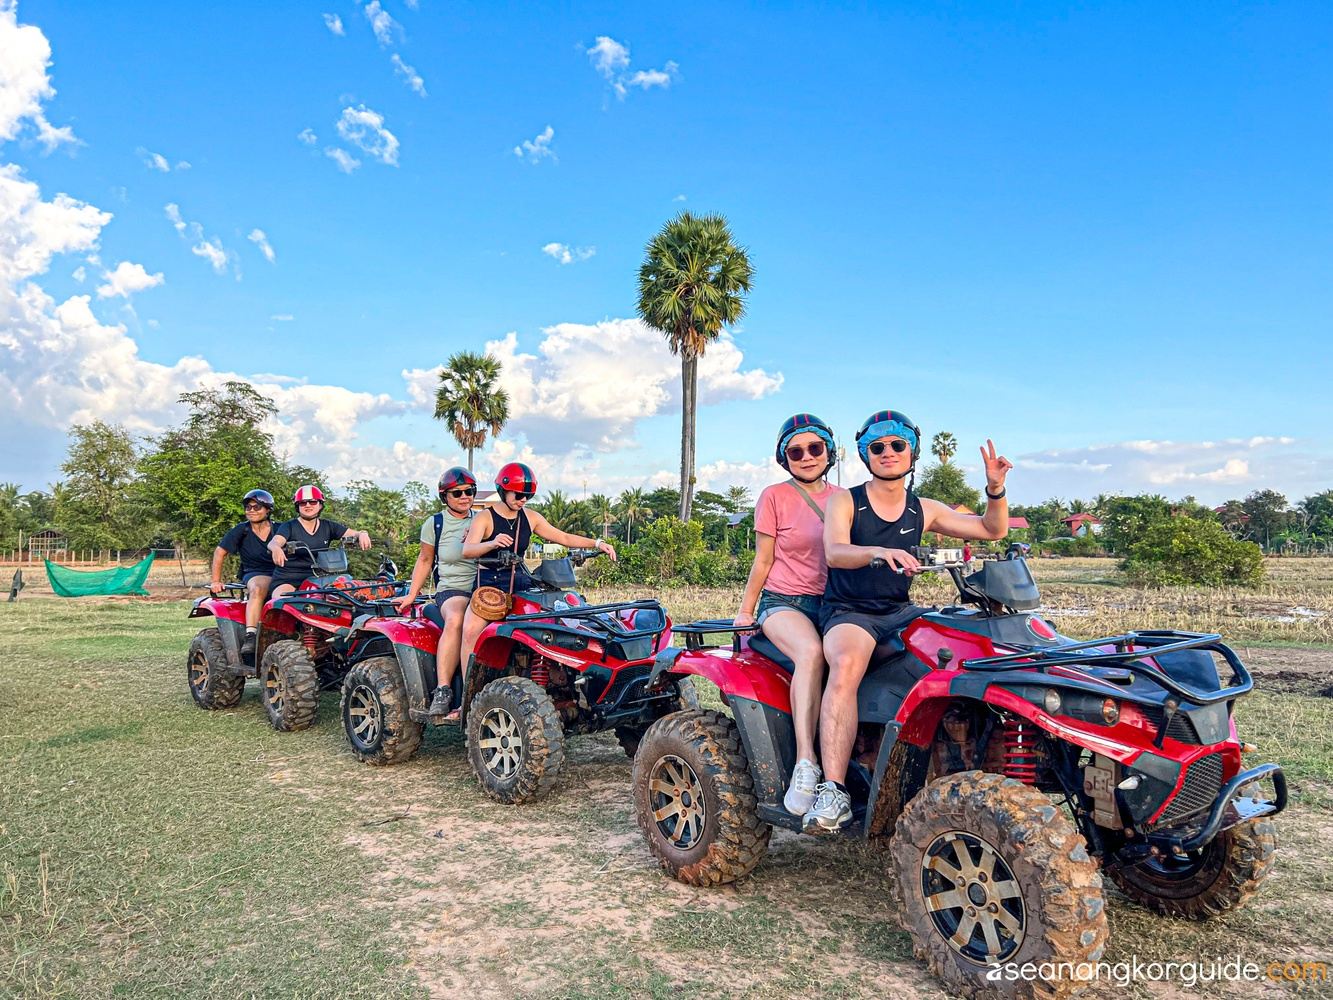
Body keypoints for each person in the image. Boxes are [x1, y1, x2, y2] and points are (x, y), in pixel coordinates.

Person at [804, 409, 1013, 833]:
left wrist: (995, 489)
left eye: (897, 445)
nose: (888, 453)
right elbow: (835, 552)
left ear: (911, 451)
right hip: (850, 611)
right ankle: (834, 789)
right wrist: (878, 552)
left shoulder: (924, 508)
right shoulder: (848, 500)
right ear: (866, 454)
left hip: (900, 611)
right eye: (877, 447)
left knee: (963, 646)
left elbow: (993, 531)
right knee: (845, 665)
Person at [733, 414, 846, 816]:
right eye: (796, 451)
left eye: (814, 448)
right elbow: (763, 560)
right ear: (785, 458)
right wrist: (746, 610)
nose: (806, 456)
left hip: (834, 603)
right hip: (785, 602)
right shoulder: (774, 497)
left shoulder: (844, 498)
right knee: (811, 654)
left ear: (828, 451)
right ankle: (805, 762)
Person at [458, 462, 617, 674]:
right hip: (490, 588)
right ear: (503, 490)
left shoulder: (530, 517)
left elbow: (563, 537)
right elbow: (467, 550)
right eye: (518, 495)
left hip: (522, 584)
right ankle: (464, 697)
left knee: (556, 624)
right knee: (469, 632)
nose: (523, 500)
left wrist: (597, 544)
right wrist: (493, 543)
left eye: (528, 496)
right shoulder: (485, 517)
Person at [394, 467, 479, 718]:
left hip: (484, 589)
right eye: (457, 493)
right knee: (455, 620)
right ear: (445, 497)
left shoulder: (482, 519)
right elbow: (425, 560)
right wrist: (411, 594)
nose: (465, 497)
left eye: (469, 491)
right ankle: (444, 689)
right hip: (452, 589)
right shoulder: (436, 523)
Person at [210, 489, 277, 663]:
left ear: (268, 509)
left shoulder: (280, 529)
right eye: (248, 507)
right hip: (255, 573)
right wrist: (216, 581)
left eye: (257, 507)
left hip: (282, 573)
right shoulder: (242, 530)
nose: (251, 510)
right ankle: (251, 635)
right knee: (258, 588)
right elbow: (219, 552)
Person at [267, 485, 371, 598]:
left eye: (312, 502)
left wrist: (362, 533)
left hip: (319, 578)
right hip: (288, 578)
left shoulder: (328, 526)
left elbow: (353, 533)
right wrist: (276, 548)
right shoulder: (289, 526)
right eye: (303, 502)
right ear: (297, 506)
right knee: (283, 601)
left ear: (320, 504)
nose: (307, 505)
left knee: (346, 599)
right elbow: (275, 541)